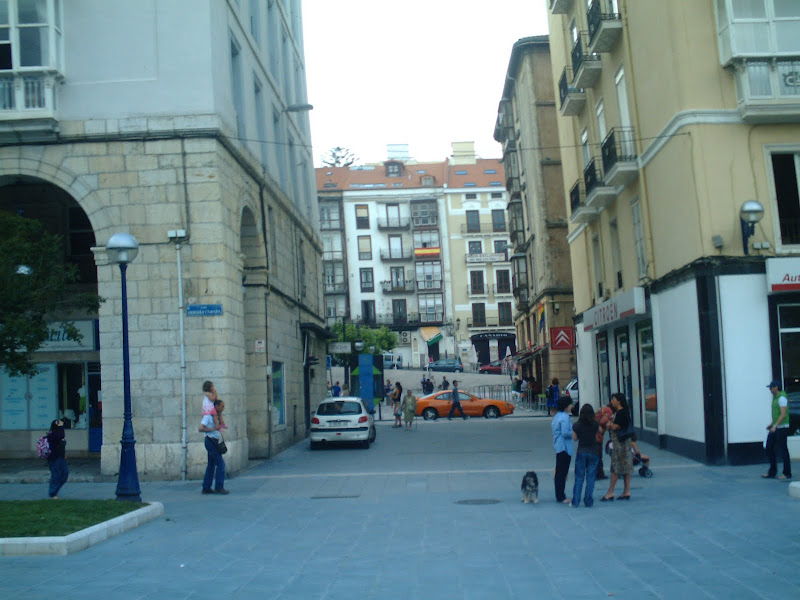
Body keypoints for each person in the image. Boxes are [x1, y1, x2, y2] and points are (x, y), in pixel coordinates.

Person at [601, 393, 633, 501]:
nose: (612, 401)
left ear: (619, 401)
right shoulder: (625, 412)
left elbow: (616, 426)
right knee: (626, 467)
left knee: (615, 467)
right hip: (625, 443)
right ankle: (626, 491)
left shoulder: (620, 413)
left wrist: (609, 425)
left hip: (620, 444)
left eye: (613, 399)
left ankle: (610, 492)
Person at [571, 404, 601, 507]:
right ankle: (588, 501)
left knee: (579, 477)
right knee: (591, 477)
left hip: (582, 451)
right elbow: (600, 432)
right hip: (594, 451)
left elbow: (574, 438)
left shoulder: (577, 425)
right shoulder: (595, 424)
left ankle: (576, 501)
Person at [763, 379, 792, 480]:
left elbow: (783, 414)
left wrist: (775, 426)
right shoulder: (776, 398)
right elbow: (777, 415)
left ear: (776, 388)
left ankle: (787, 473)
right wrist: (772, 424)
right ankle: (772, 472)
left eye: (771, 387)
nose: (770, 389)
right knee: (769, 448)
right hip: (776, 427)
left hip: (782, 427)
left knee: (783, 450)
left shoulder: (782, 398)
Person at [199, 399, 229, 494]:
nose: (223, 408)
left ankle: (206, 487)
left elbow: (222, 425)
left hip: (214, 441)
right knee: (220, 464)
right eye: (222, 406)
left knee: (211, 465)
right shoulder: (208, 416)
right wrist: (213, 429)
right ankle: (219, 487)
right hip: (210, 440)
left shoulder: (217, 416)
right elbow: (201, 428)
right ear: (216, 406)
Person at [552, 396, 574, 504]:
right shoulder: (565, 417)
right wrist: (573, 434)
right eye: (570, 404)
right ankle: (561, 495)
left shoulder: (557, 416)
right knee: (562, 472)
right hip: (564, 447)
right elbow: (565, 432)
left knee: (559, 472)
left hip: (559, 446)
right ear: (566, 406)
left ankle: (559, 494)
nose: (571, 406)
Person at [46, 419, 68, 499]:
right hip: (54, 458)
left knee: (65, 473)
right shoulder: (52, 435)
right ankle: (52, 493)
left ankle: (55, 491)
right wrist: (61, 426)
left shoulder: (57, 434)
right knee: (56, 475)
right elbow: (61, 435)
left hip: (60, 457)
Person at [594, 401, 614, 480]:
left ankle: (597, 473)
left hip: (592, 434)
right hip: (597, 435)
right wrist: (610, 424)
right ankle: (599, 474)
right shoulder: (608, 411)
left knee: (596, 454)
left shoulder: (601, 409)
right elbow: (603, 421)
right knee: (598, 455)